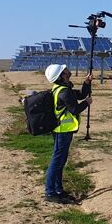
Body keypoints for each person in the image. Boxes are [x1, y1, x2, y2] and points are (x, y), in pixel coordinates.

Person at [43, 63, 93, 204]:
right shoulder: (64, 92)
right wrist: (86, 103)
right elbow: (74, 109)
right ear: (61, 75)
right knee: (57, 161)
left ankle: (58, 190)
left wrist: (87, 82)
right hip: (62, 131)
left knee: (60, 161)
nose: (67, 70)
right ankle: (50, 191)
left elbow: (80, 94)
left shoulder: (62, 89)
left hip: (62, 131)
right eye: (64, 70)